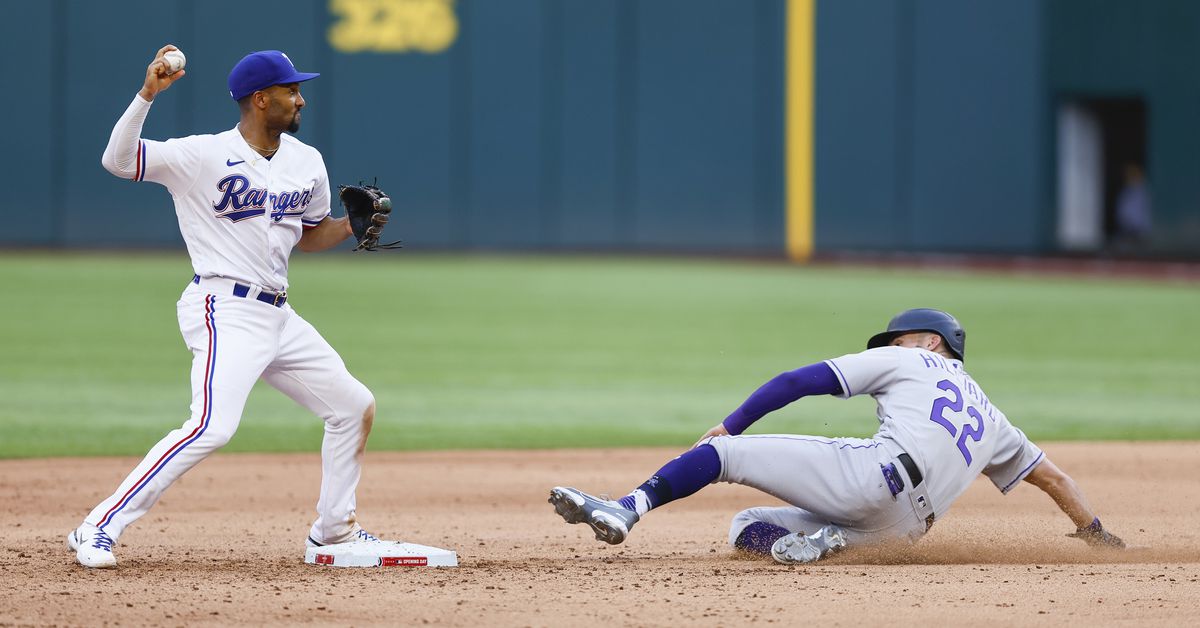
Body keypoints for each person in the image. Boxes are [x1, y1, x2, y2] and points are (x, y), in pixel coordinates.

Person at [69, 45, 382, 568]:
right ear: (261, 99)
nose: (300, 100)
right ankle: (99, 525)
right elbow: (118, 161)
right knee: (211, 425)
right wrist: (149, 93)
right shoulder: (202, 155)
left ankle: (333, 533)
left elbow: (308, 236)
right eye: (290, 91)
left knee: (353, 406)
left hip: (278, 313)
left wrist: (351, 225)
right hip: (223, 306)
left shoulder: (307, 161)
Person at [549, 308, 1125, 564]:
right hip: (901, 534)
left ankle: (627, 507)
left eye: (897, 339)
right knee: (748, 527)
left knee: (720, 454)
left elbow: (798, 380)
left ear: (931, 342)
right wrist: (1094, 535)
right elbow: (1055, 479)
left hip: (873, 478)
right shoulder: (995, 419)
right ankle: (814, 549)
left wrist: (733, 423)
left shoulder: (913, 363)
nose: (888, 347)